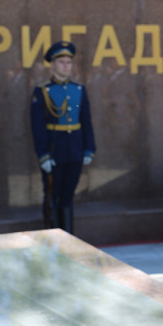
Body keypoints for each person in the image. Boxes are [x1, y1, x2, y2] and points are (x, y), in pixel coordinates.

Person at [30, 41, 96, 235]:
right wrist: (43, 155)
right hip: (54, 150)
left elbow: (85, 120)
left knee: (67, 197)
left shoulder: (79, 90)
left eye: (69, 62)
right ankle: (52, 240)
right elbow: (38, 127)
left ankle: (68, 238)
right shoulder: (43, 91)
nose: (66, 66)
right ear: (52, 65)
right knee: (53, 196)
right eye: (61, 62)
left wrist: (89, 148)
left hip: (74, 150)